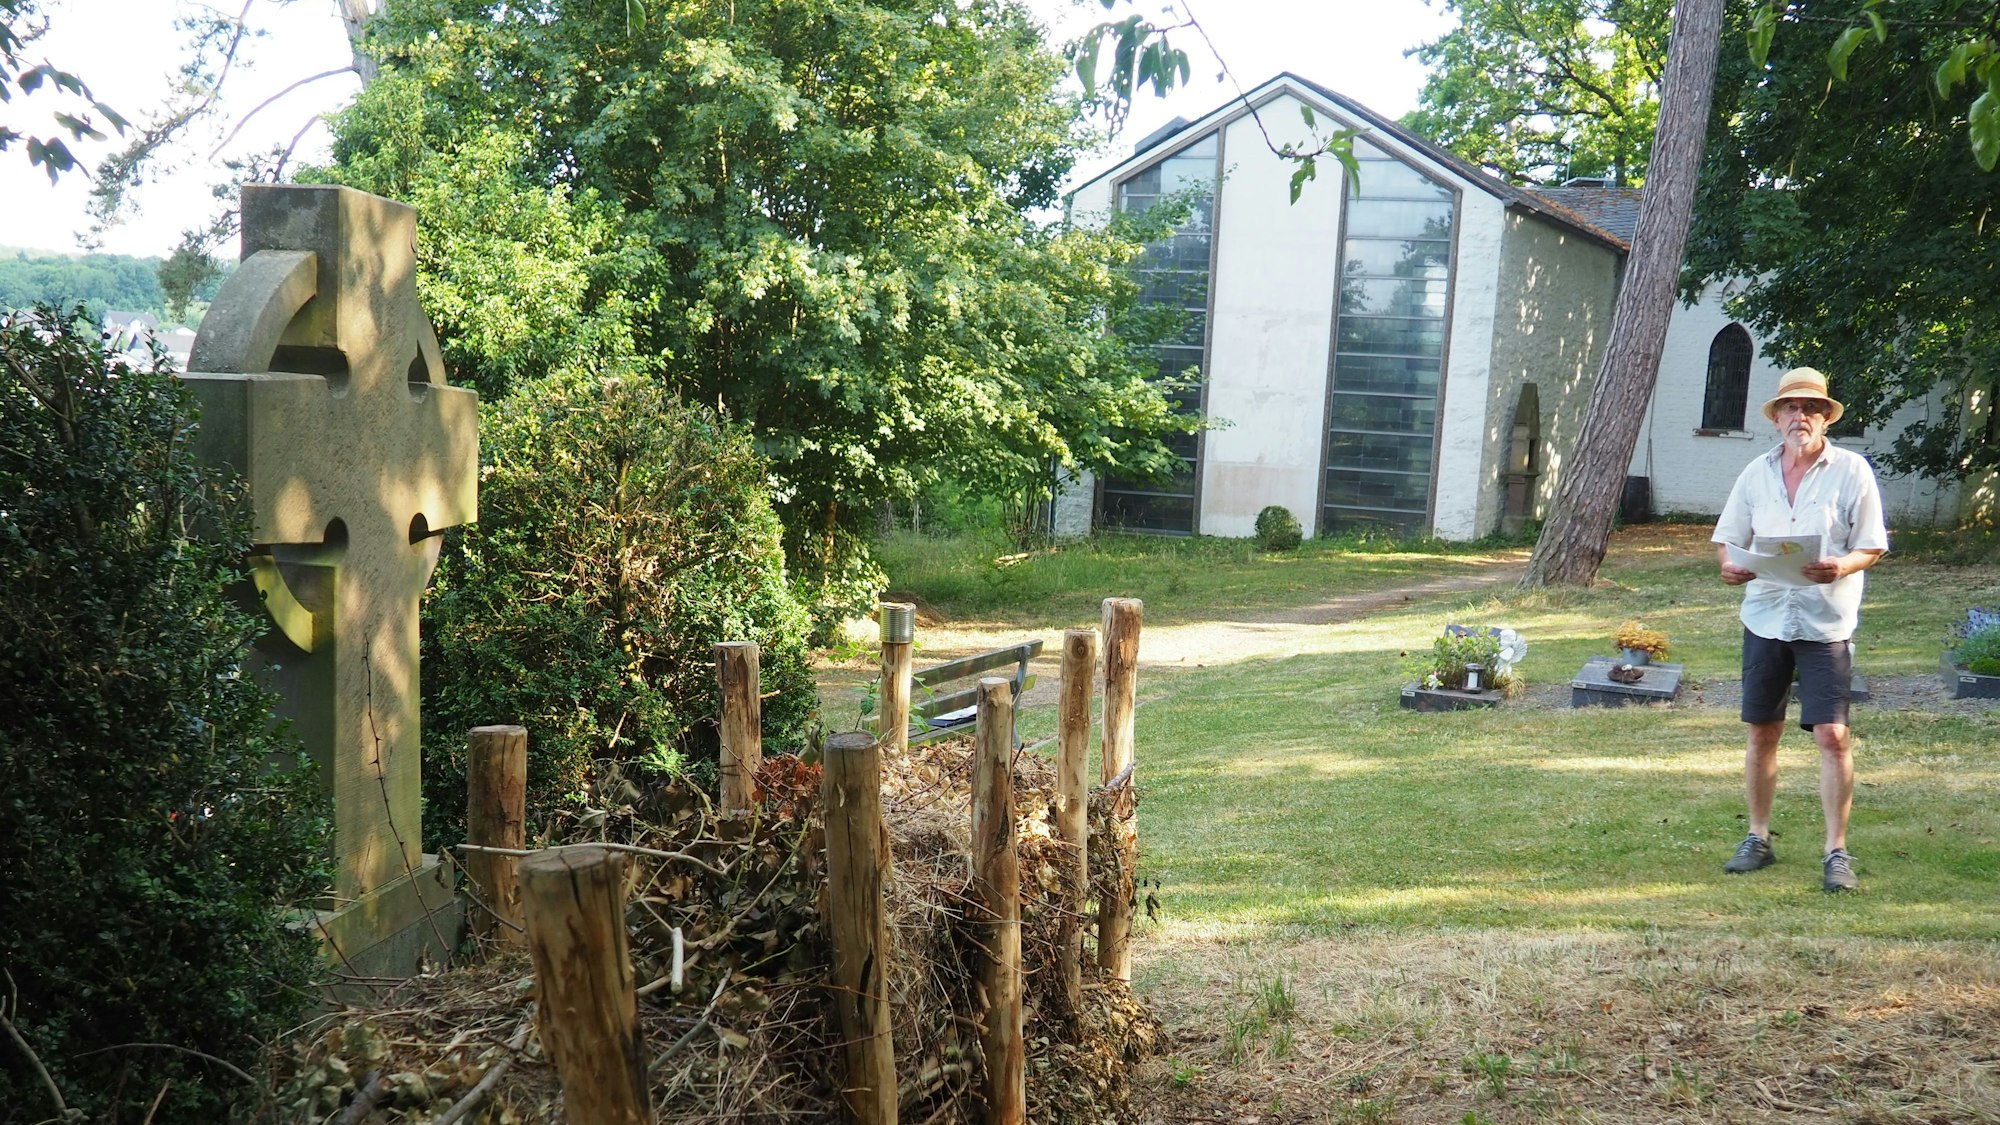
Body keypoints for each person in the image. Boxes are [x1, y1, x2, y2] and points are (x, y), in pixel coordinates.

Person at [1712, 367, 1887, 893]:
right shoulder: (1755, 474)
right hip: (1765, 615)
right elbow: (1728, 538)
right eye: (1791, 408)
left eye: (1811, 408)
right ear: (1778, 417)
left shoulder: (1851, 470)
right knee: (1763, 731)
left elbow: (1872, 544)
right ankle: (1757, 838)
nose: (1800, 416)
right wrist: (1730, 566)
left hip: (1824, 621)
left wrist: (1842, 566)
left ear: (1825, 417)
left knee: (1833, 736)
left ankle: (1836, 851)